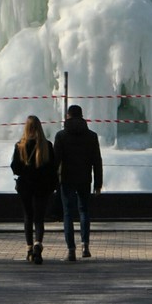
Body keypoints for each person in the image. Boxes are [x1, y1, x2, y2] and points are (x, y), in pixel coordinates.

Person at [53, 103, 103, 262]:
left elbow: (56, 161)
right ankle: (85, 246)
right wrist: (98, 183)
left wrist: (54, 182)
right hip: (84, 179)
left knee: (68, 213)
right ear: (82, 117)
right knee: (84, 211)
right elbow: (97, 161)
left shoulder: (61, 136)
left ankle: (71, 250)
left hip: (67, 179)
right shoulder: (91, 136)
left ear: (68, 116)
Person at [11, 116, 58, 263]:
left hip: (26, 186)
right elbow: (53, 168)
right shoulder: (46, 145)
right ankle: (38, 243)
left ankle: (29, 248)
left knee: (28, 217)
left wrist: (25, 170)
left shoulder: (20, 145)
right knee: (39, 218)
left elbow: (15, 167)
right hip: (42, 186)